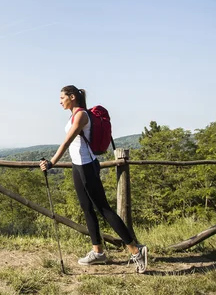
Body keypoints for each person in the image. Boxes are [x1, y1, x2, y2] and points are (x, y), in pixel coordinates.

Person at [39, 85, 148, 273]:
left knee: (103, 208)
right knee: (87, 208)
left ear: (72, 97)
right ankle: (98, 252)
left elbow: (67, 141)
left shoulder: (81, 115)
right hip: (78, 165)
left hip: (87, 166)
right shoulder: (73, 114)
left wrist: (52, 162)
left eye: (62, 97)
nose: (59, 101)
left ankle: (136, 250)